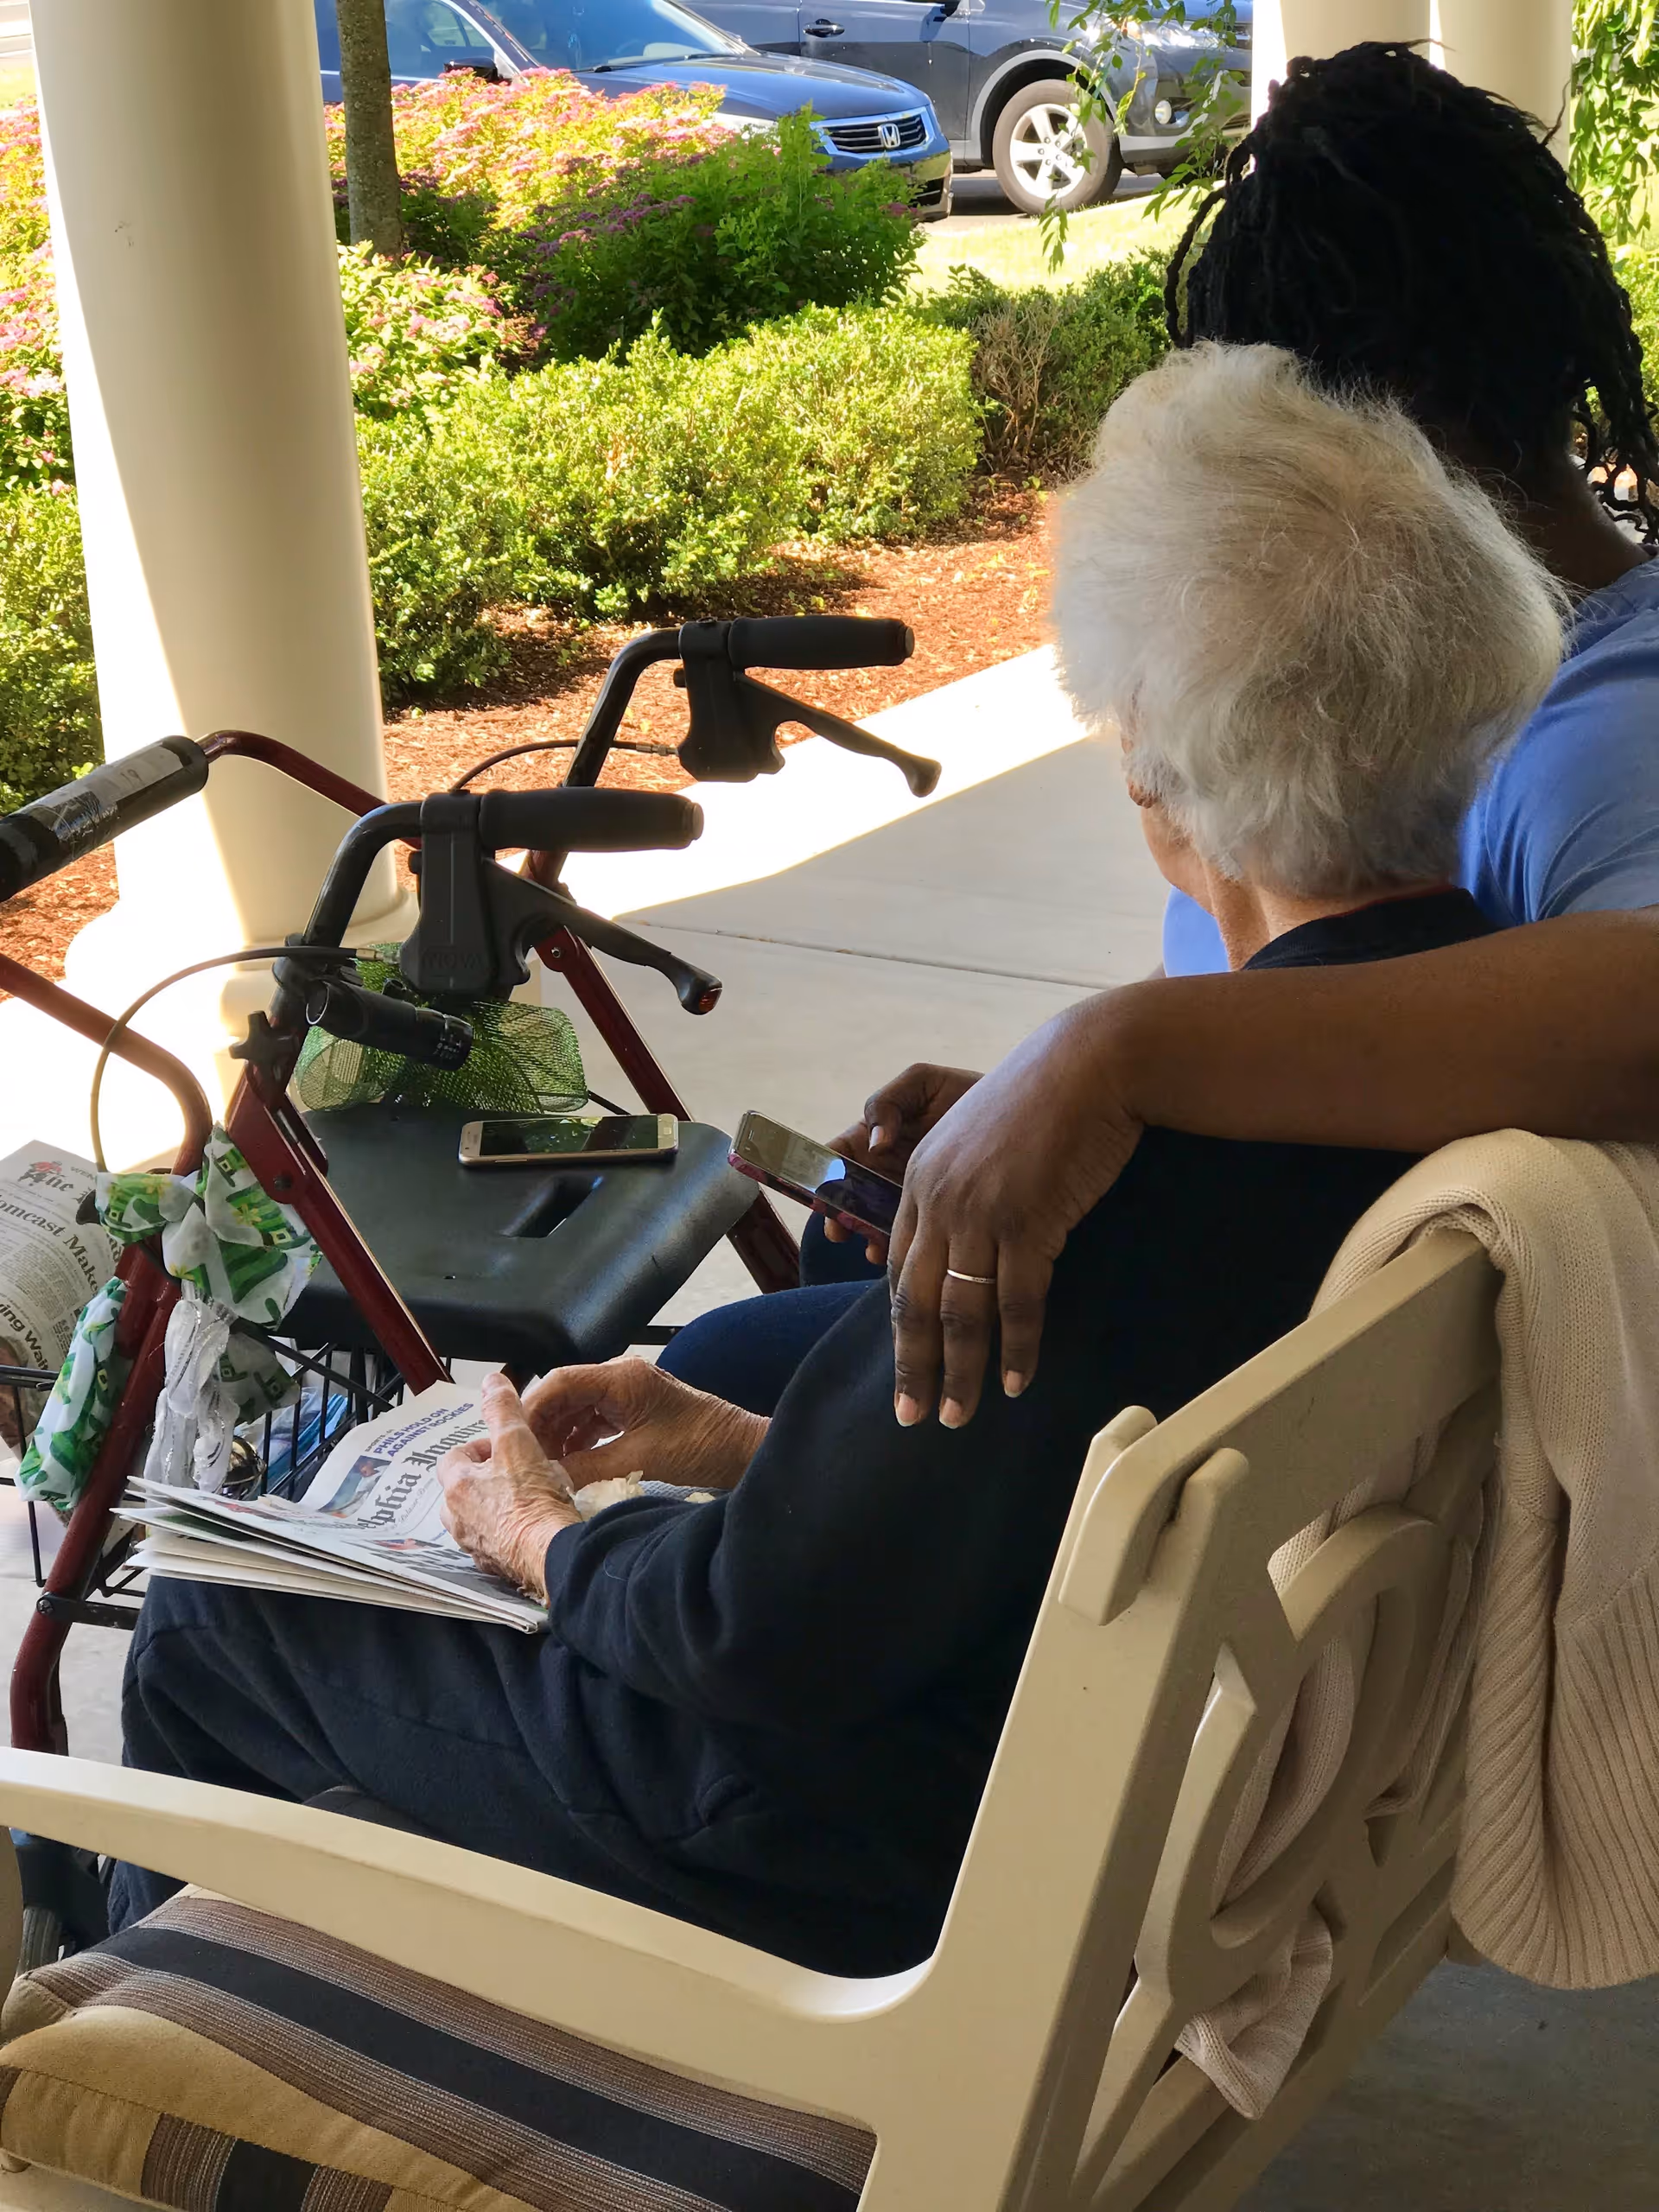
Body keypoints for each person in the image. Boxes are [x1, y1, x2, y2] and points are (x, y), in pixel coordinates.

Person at [111, 342, 1559, 1974]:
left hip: (885, 1841)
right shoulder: (1493, 1059)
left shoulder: (1095, 1190)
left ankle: (180, 2048)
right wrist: (732, 1442)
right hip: (1093, 1767)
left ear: (1156, 765)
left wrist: (546, 1541)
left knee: (214, 1613)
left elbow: (754, 1640)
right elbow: (1009, 1505)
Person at [667, 41, 1659, 1434]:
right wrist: (1046, 1102)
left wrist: (1116, 1054)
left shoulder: (1609, 735)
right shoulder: (1451, 664)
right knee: (820, 1273)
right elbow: (1298, 986)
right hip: (1214, 1256)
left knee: (708, 1373)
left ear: (1378, 436)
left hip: (1263, 1363)